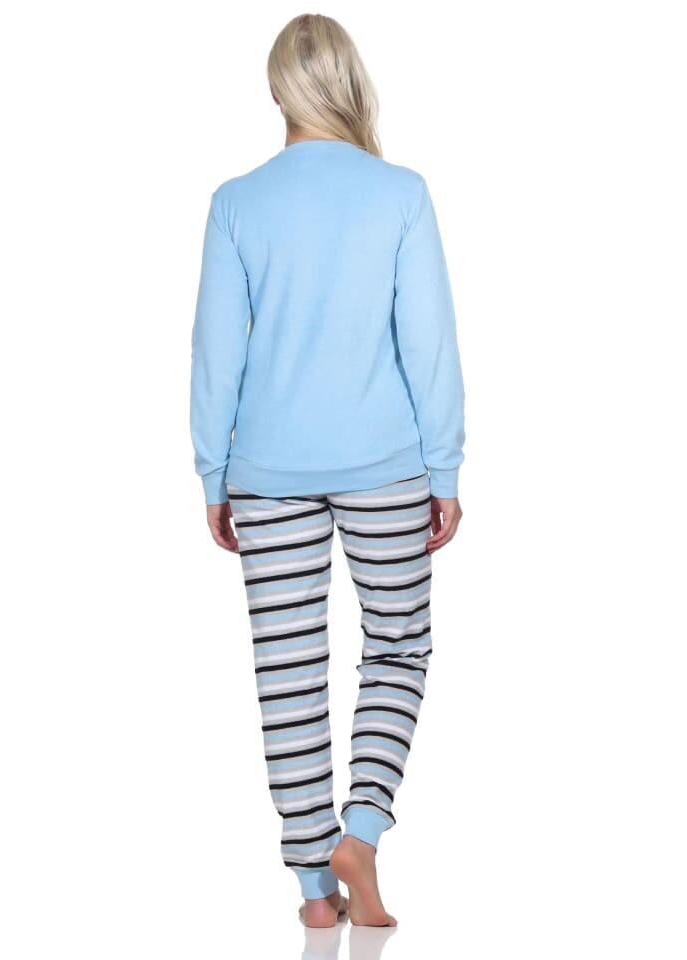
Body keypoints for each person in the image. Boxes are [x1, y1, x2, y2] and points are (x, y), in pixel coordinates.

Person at [189, 13, 465, 929]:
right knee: (398, 647)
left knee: (289, 671)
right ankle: (363, 827)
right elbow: (428, 343)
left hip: (266, 471)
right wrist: (444, 467)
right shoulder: (400, 193)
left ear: (277, 90)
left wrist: (213, 474)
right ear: (349, 81)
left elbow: (215, 354)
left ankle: (315, 892)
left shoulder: (237, 203)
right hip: (386, 467)